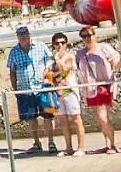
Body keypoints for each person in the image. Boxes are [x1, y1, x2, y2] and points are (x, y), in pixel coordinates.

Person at [7, 25, 56, 154]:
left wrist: (46, 70)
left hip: (42, 88)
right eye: (21, 35)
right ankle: (36, 142)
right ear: (17, 37)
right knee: (31, 118)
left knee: (48, 116)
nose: (23, 37)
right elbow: (12, 71)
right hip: (25, 90)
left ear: (29, 34)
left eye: (25, 34)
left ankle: (51, 142)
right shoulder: (14, 52)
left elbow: (50, 60)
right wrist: (15, 89)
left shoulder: (40, 46)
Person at [75, 26, 121, 154]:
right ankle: (107, 144)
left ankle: (113, 144)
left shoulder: (104, 48)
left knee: (103, 117)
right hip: (89, 88)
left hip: (103, 85)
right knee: (99, 118)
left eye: (90, 35)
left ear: (95, 35)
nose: (87, 38)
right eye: (84, 36)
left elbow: (116, 61)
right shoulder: (80, 54)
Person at [48, 33, 85, 156]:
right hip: (58, 91)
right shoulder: (50, 60)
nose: (60, 45)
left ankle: (81, 147)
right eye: (57, 43)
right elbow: (48, 75)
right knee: (63, 120)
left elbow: (65, 69)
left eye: (63, 43)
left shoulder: (70, 57)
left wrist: (58, 60)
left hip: (69, 90)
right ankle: (68, 147)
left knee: (76, 118)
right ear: (53, 45)